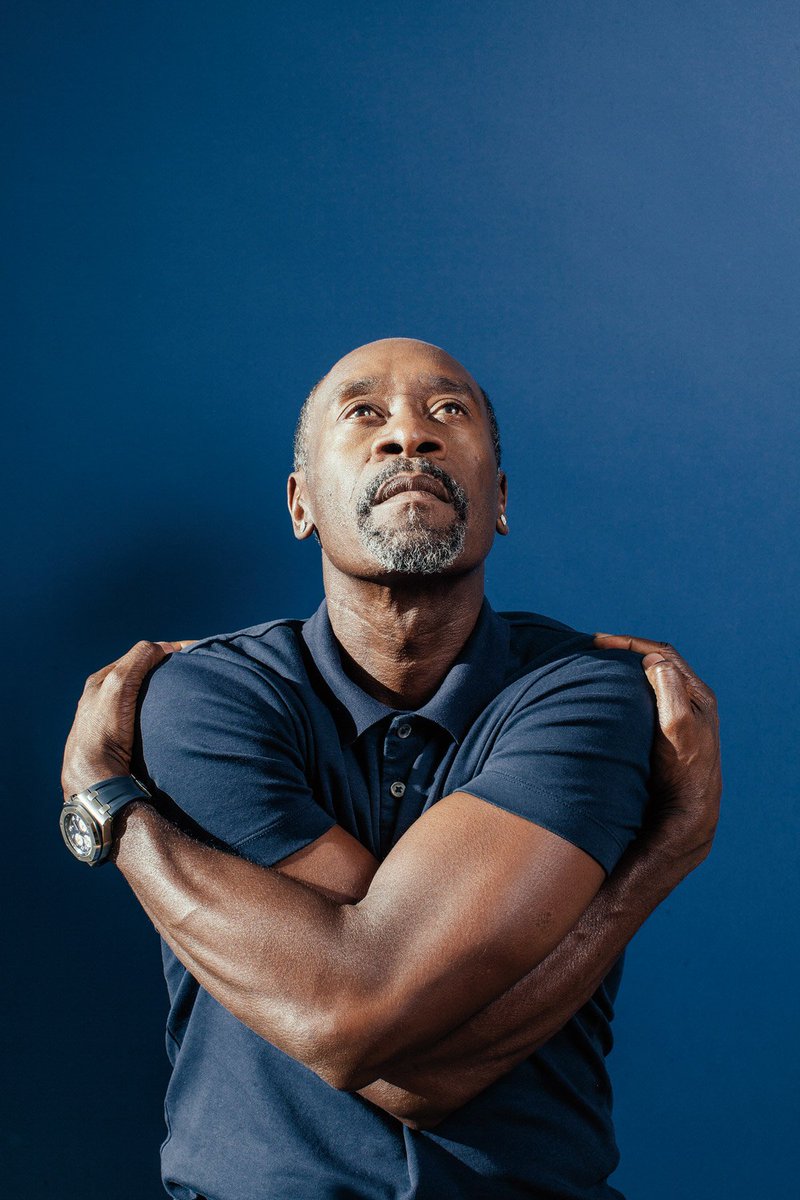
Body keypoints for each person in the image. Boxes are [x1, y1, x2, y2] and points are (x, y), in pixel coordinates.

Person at [61, 338, 721, 1200]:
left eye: (448, 410)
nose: (409, 434)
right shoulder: (203, 698)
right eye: (364, 412)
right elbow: (369, 1029)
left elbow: (358, 1019)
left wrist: (111, 811)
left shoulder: (592, 696)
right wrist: (655, 863)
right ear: (301, 504)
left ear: (500, 500)